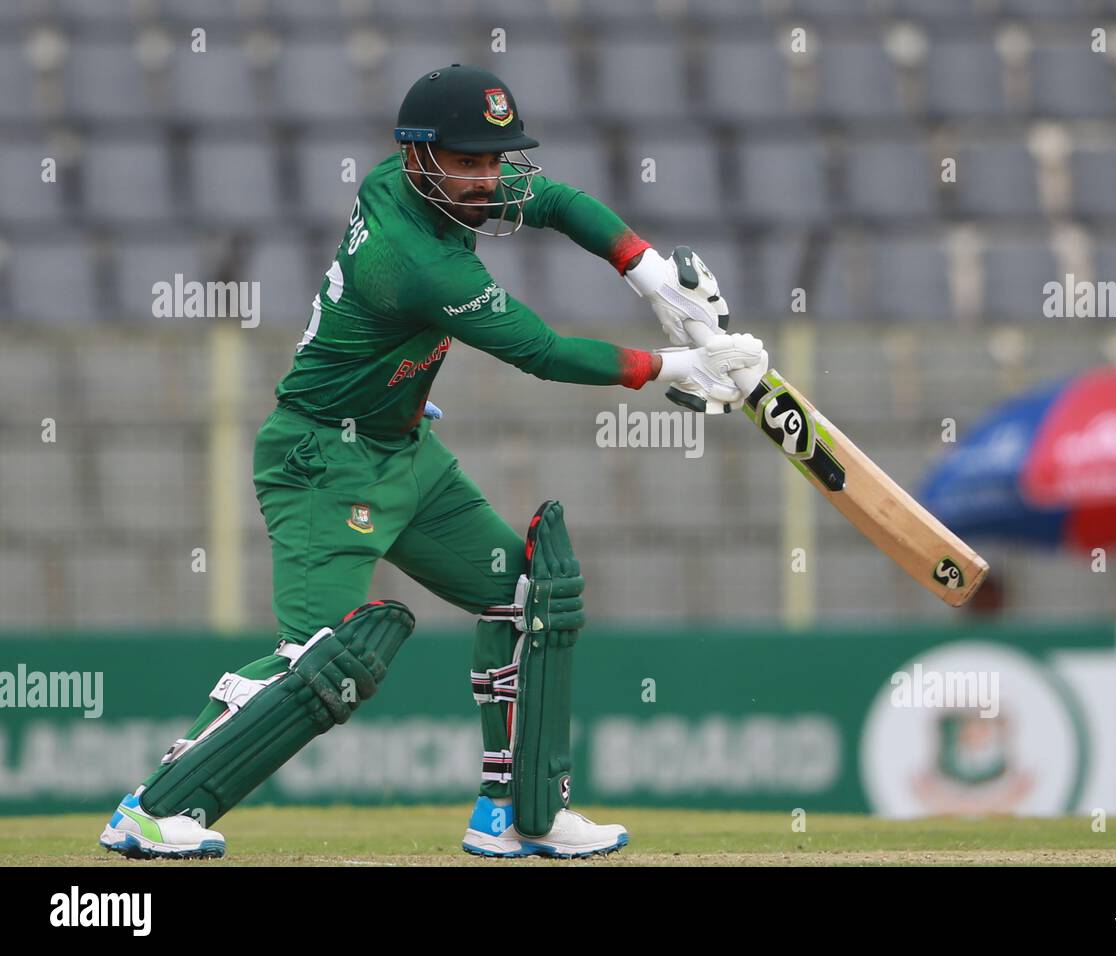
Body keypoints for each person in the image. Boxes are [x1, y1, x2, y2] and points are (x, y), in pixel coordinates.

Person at [97, 64, 766, 860]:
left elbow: (552, 200)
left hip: (401, 446)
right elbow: (542, 352)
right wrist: (670, 369)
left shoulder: (424, 183)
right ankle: (154, 806)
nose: (488, 179)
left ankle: (517, 814)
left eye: (495, 159)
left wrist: (647, 268)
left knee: (528, 598)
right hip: (322, 460)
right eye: (469, 160)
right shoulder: (415, 260)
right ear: (418, 155)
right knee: (320, 660)